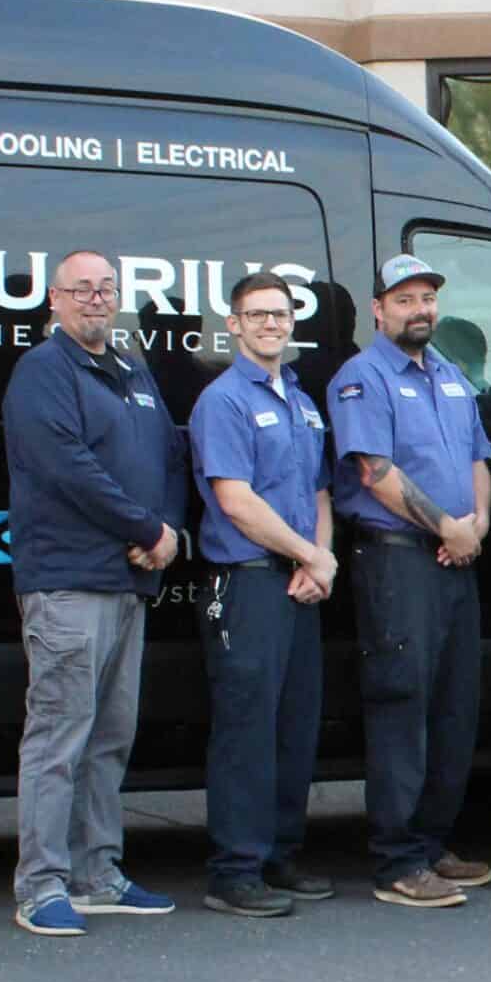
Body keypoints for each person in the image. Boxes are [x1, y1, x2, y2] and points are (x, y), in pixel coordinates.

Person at [1, 249, 187, 936]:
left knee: (109, 736)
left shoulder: (132, 369)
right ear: (54, 300)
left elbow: (171, 455)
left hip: (129, 580)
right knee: (59, 736)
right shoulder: (43, 372)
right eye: (80, 289)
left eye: (106, 288)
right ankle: (41, 884)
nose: (95, 299)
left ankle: (96, 874)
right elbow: (67, 467)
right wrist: (143, 526)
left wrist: (168, 531)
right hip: (68, 580)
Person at [328, 254, 491, 910]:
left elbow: (478, 458)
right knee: (403, 704)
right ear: (378, 310)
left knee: (454, 706)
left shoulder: (449, 374)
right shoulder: (361, 378)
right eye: (404, 299)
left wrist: (476, 522)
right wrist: (445, 526)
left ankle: (430, 842)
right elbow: (373, 472)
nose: (419, 309)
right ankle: (396, 859)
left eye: (426, 298)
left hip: (456, 558)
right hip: (397, 561)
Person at [187, 271, 337, 919]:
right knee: (246, 730)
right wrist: (310, 554)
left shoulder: (301, 400)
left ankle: (279, 854)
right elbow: (235, 500)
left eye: (279, 314)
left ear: (291, 322)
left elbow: (321, 492)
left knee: (293, 728)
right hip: (247, 581)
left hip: (299, 583)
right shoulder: (223, 401)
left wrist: (318, 560)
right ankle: (234, 870)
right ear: (234, 325)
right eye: (256, 314)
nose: (270, 324)